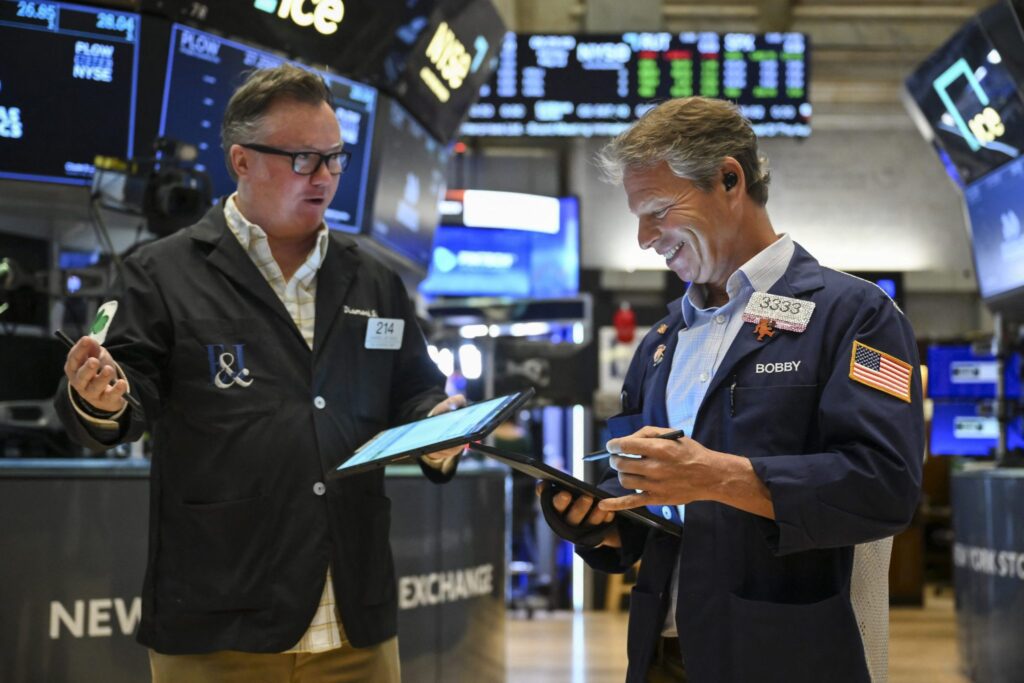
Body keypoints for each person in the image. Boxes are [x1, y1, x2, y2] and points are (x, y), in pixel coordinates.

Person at [55, 64, 464, 682]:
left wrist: (436, 425)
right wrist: (100, 398)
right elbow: (122, 393)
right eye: (303, 159)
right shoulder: (159, 273)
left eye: (335, 157)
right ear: (241, 161)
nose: (324, 176)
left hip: (355, 619)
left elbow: (413, 388)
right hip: (218, 621)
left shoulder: (374, 280)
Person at [538, 97, 924, 683]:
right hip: (662, 656)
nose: (644, 238)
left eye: (658, 210)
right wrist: (598, 520)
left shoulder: (855, 316)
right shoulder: (661, 341)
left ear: (728, 179)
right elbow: (653, 508)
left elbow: (884, 488)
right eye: (638, 216)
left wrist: (716, 477)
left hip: (786, 656)